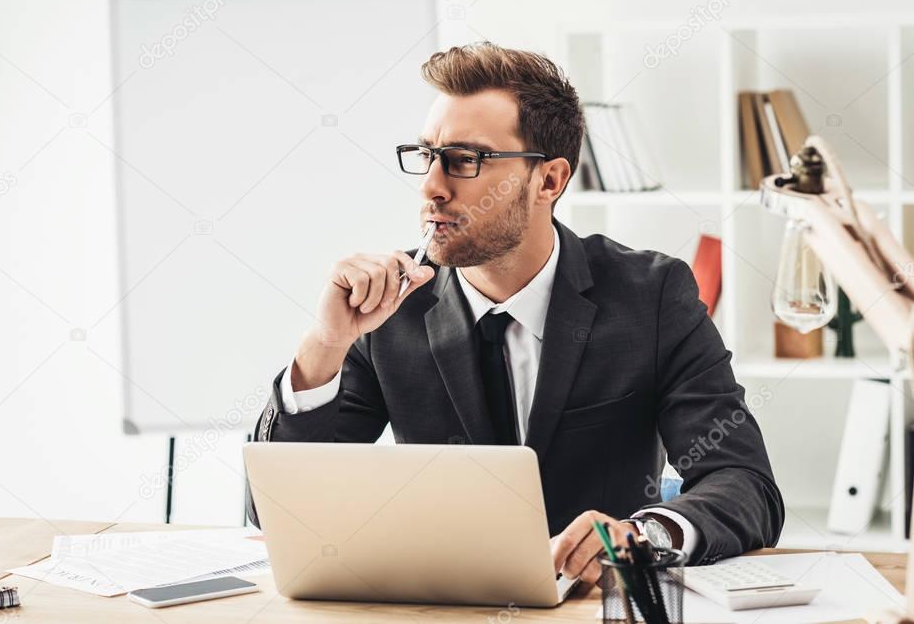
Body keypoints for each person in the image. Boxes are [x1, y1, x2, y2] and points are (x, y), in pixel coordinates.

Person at [249, 42, 783, 585]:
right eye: (426, 156)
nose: (431, 187)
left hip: (593, 608)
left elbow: (744, 483)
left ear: (548, 181)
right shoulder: (390, 307)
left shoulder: (651, 294)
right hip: (438, 608)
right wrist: (325, 344)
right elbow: (275, 514)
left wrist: (646, 537)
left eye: (465, 160)